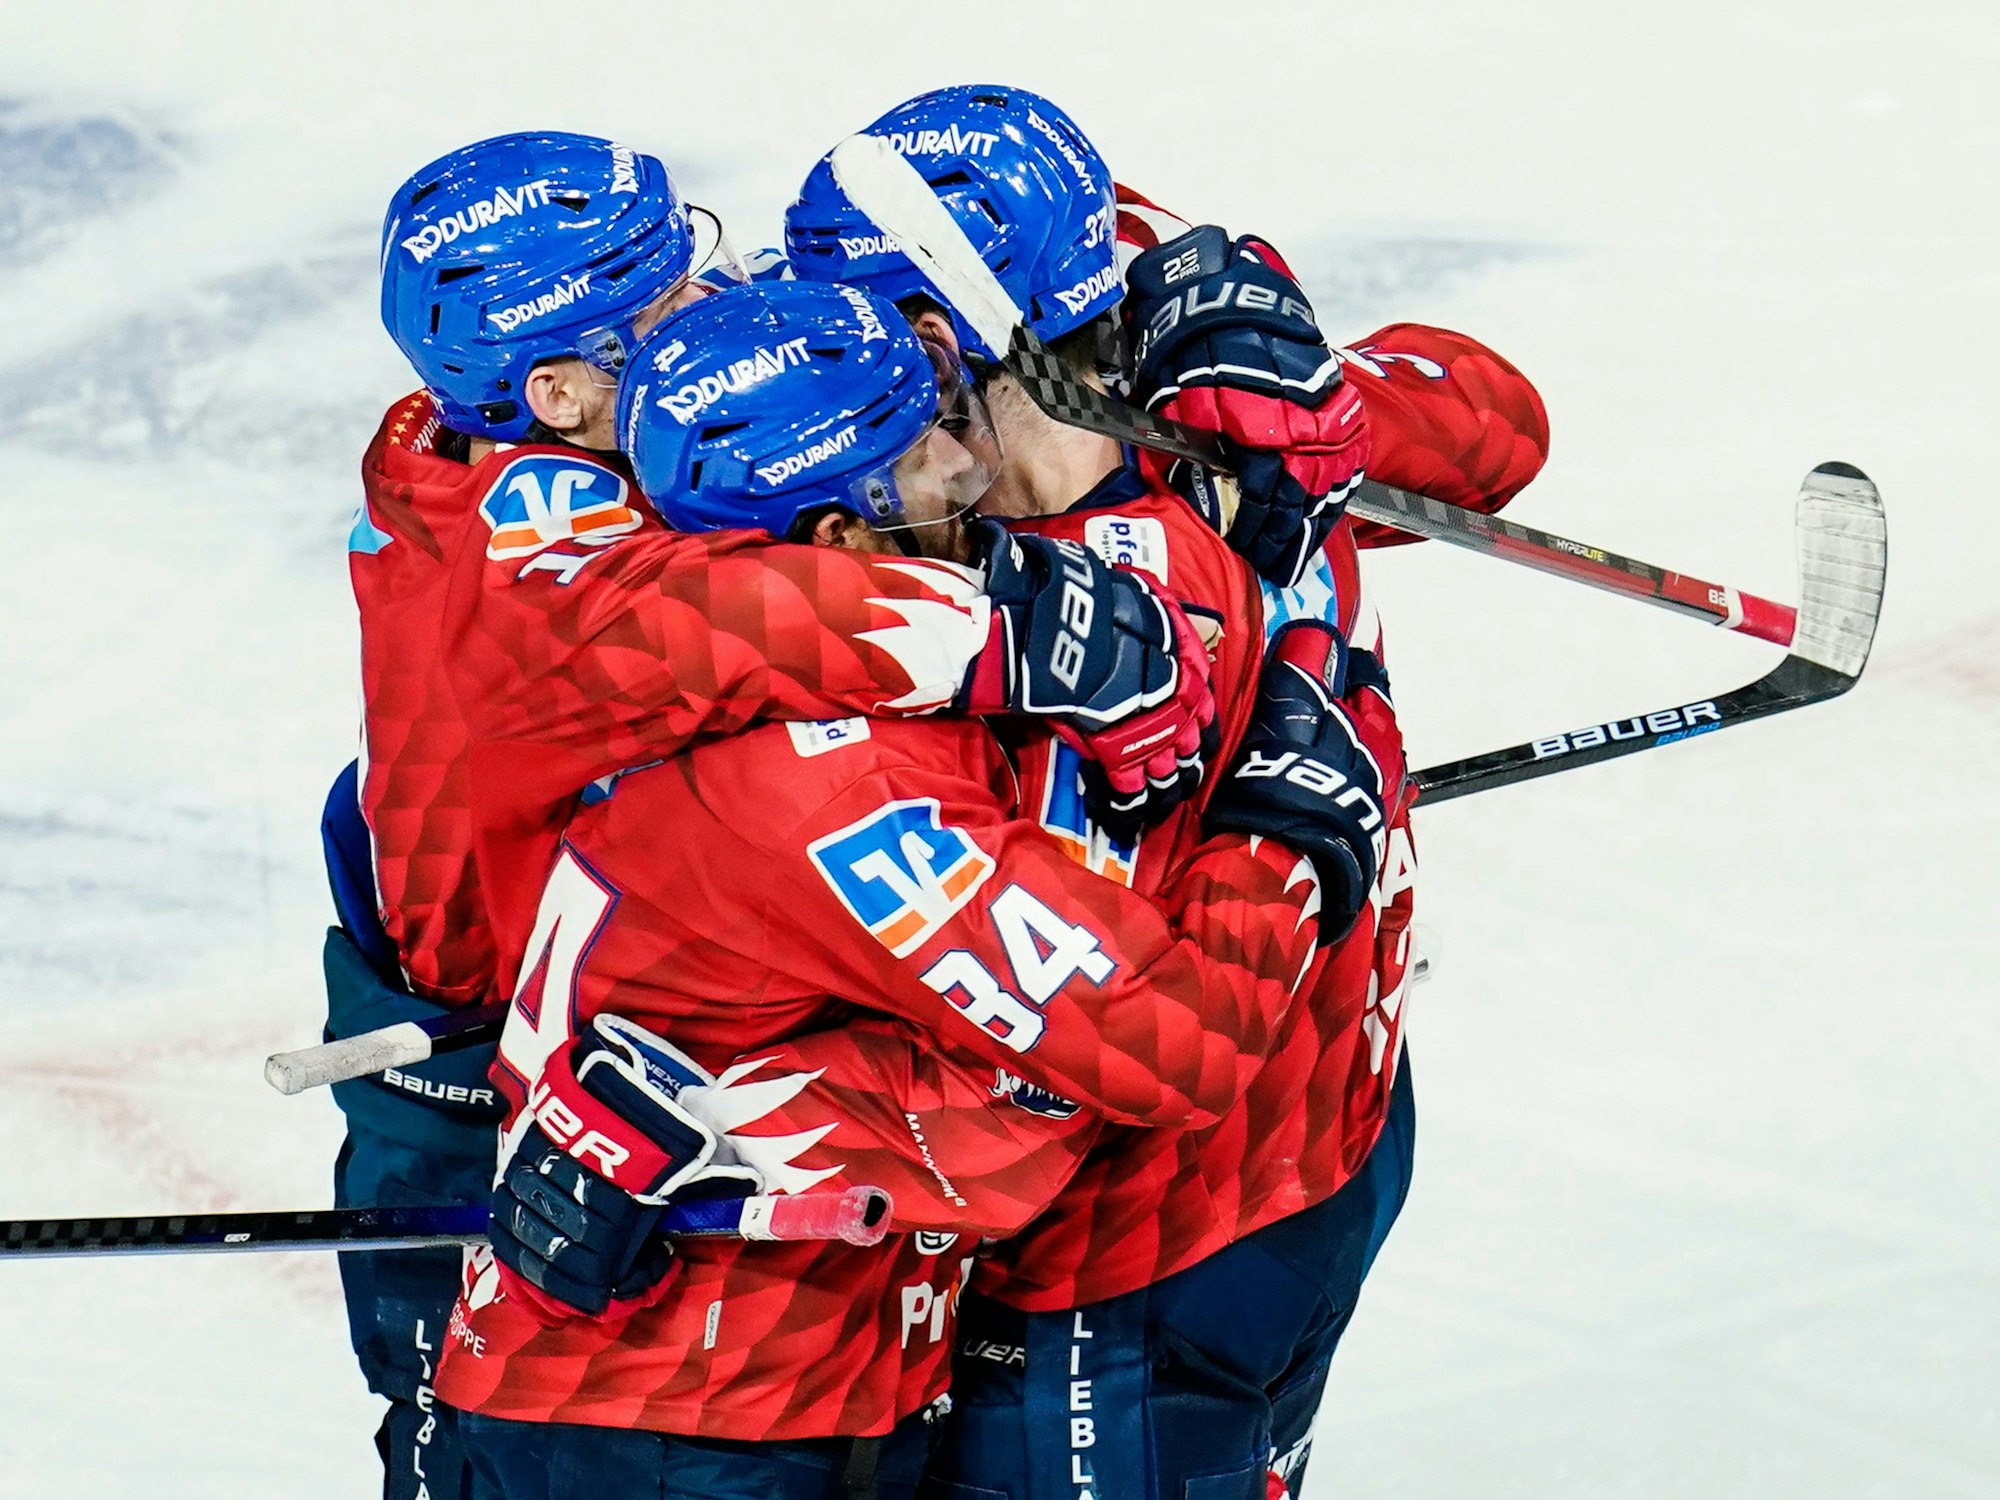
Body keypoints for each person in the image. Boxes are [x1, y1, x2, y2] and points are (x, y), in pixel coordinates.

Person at [327, 128, 1216, 1499]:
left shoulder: (533, 432)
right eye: (664, 304)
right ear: (556, 389)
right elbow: (697, 626)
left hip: (617, 999)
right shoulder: (524, 538)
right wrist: (1003, 631)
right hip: (471, 1065)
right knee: (474, 1439)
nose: (716, 303)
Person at [430, 279, 1400, 1500]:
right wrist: (1279, 833)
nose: (964, 462)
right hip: (698, 1418)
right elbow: (1168, 1050)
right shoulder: (844, 793)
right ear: (834, 540)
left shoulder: (706, 632)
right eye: (919, 450)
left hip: (708, 1392)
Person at [781, 83, 1543, 1498]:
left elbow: (1063, 1036)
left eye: (857, 334)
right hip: (1338, 1132)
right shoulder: (1190, 364)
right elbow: (1494, 425)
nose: (823, 372)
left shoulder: (991, 609)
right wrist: (1333, 398)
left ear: (945, 333)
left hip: (1130, 1255)